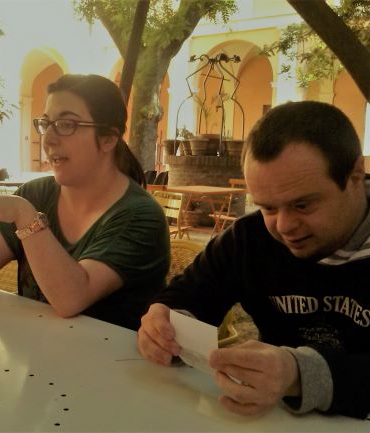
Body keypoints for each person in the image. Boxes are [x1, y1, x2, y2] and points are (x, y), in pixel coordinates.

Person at [138, 101, 370, 420]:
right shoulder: (249, 238)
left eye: (303, 205)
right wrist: (164, 325)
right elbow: (187, 296)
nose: (284, 226)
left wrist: (299, 375)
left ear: (355, 174)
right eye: (268, 208)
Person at [0, 74, 170, 330]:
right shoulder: (36, 194)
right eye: (46, 124)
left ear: (108, 139)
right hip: (37, 351)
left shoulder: (140, 215)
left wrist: (26, 216)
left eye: (66, 124)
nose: (48, 139)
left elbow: (71, 299)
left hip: (110, 355)